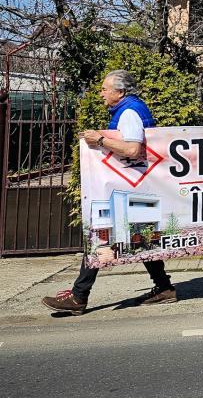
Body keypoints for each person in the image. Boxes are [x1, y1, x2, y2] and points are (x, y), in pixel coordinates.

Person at [42, 71, 176, 315]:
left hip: (129, 188)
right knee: (140, 238)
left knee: (100, 237)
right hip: (136, 187)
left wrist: (100, 139)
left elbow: (134, 149)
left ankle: (78, 297)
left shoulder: (129, 113)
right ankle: (164, 288)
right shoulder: (131, 109)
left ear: (120, 92)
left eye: (105, 89)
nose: (101, 93)